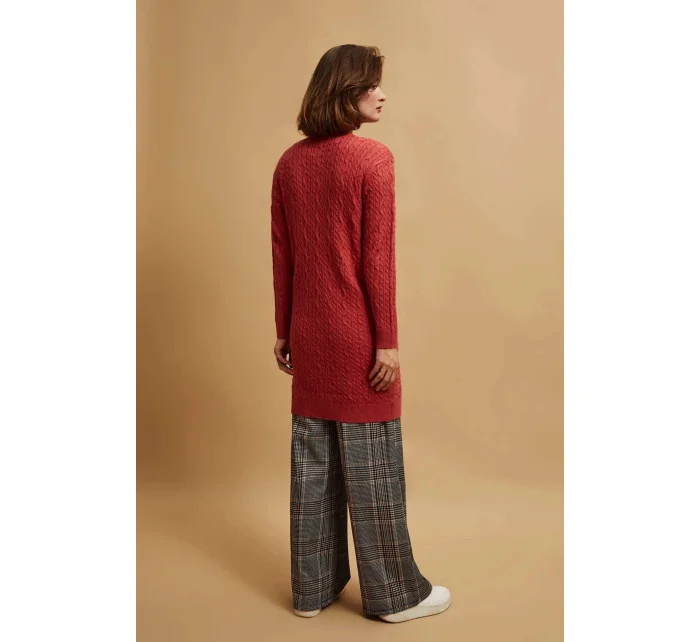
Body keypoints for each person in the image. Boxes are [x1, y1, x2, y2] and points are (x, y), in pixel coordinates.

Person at [270, 44, 451, 623]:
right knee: (374, 470)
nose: (382, 94)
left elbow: (283, 255)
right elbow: (378, 259)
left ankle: (311, 590)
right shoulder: (372, 159)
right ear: (346, 91)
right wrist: (387, 342)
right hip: (357, 337)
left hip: (308, 333)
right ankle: (395, 595)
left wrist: (283, 329)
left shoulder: (289, 164)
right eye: (373, 85)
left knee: (313, 468)